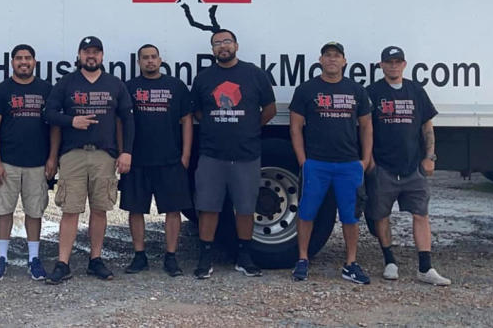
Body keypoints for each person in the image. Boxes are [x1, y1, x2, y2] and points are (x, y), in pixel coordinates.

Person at [44, 36, 134, 284]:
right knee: (70, 210)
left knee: (100, 209)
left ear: (102, 56)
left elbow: (128, 119)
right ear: (79, 54)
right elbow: (49, 113)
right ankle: (63, 263)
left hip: (104, 155)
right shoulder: (66, 83)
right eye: (86, 52)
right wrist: (71, 121)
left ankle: (95, 260)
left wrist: (126, 151)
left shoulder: (114, 84)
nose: (91, 56)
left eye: (96, 52)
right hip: (73, 154)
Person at [190, 29, 275, 279]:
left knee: (245, 208)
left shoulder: (254, 74)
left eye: (227, 42)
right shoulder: (204, 78)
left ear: (236, 45)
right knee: (208, 207)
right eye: (217, 43)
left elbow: (269, 108)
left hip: (246, 154)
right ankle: (206, 257)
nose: (222, 47)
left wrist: (250, 127)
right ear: (213, 49)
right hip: (211, 154)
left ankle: (244, 256)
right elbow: (197, 112)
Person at [366, 46, 451, 286]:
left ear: (404, 64)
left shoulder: (416, 91)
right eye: (388, 62)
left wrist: (430, 157)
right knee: (381, 215)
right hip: (383, 167)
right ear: (381, 65)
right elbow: (365, 128)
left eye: (397, 62)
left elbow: (427, 126)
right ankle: (389, 261)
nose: (393, 66)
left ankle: (426, 267)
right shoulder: (372, 92)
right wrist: (370, 161)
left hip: (413, 167)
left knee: (421, 214)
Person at [289, 42, 373, 284]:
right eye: (328, 56)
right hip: (316, 163)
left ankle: (350, 264)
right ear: (320, 60)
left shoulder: (356, 90)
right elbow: (295, 127)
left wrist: (364, 160)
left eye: (337, 56)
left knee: (350, 216)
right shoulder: (307, 89)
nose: (332, 60)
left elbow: (366, 127)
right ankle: (303, 259)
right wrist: (303, 161)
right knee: (307, 212)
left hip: (348, 165)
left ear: (344, 61)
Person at [122, 44, 193, 277]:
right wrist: (124, 152)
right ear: (139, 62)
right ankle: (139, 255)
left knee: (173, 210)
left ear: (160, 60)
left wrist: (185, 155)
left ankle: (171, 257)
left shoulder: (176, 86)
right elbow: (120, 123)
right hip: (138, 160)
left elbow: (187, 120)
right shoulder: (129, 88)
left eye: (153, 57)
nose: (150, 61)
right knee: (135, 209)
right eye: (145, 58)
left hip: (170, 159)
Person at [0, 44, 54, 281]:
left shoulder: (47, 89)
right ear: (12, 62)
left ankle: (33, 258)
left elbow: (54, 127)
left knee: (34, 211)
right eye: (19, 58)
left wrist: (52, 157)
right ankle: (1, 258)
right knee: (4, 210)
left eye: (27, 58)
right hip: (8, 162)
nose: (23, 62)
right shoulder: (1, 91)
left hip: (37, 163)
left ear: (35, 61)